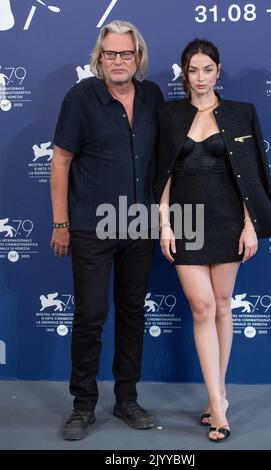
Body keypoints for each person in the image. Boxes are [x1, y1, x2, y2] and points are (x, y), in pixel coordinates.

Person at [154, 39, 271, 442]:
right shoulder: (169, 115)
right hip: (186, 223)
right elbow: (163, 175)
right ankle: (219, 404)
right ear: (184, 74)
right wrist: (164, 223)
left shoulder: (242, 114)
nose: (201, 77)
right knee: (202, 305)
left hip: (229, 221)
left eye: (207, 69)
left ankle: (216, 398)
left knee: (223, 305)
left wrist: (249, 225)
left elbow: (253, 175)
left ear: (218, 71)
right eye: (193, 70)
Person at [50, 20, 163, 440]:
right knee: (91, 315)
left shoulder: (152, 95)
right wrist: (61, 223)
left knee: (133, 313)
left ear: (138, 57)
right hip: (91, 227)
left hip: (139, 225)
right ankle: (82, 405)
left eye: (126, 54)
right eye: (111, 53)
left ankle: (127, 398)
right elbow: (59, 161)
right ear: (100, 58)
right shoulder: (81, 97)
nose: (118, 61)